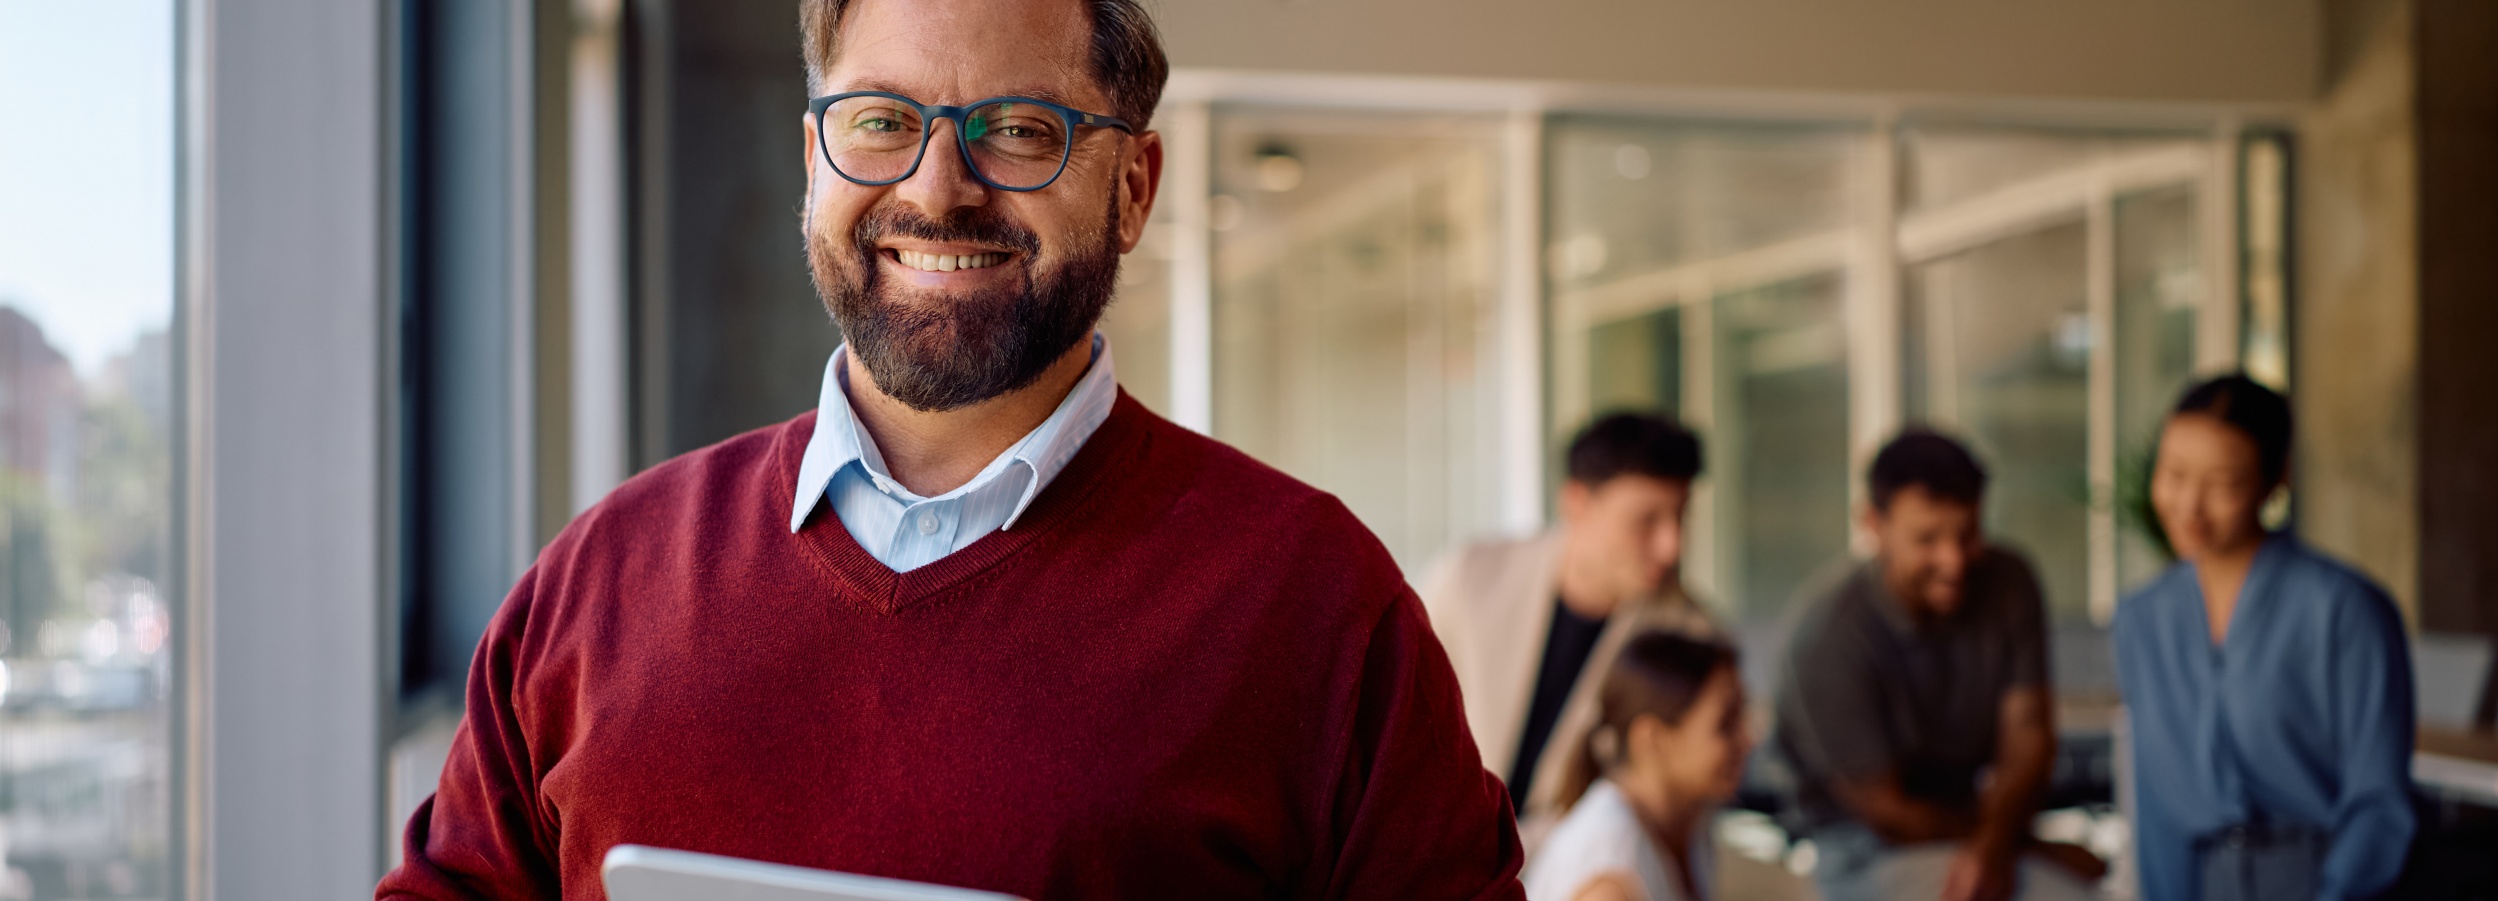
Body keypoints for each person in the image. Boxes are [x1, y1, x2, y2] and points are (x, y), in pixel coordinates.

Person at [376, 1, 1525, 897]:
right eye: (880, 121)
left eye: (1018, 131)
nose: (937, 190)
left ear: (1133, 190)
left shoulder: (1317, 606)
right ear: (815, 162)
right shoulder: (599, 580)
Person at [2113, 375, 2415, 901]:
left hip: (2320, 881)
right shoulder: (2142, 619)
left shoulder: (2344, 610)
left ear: (2276, 479)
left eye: (2223, 483)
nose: (2189, 505)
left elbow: (2379, 801)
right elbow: (2157, 810)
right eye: (2174, 474)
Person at [1772, 430, 2101, 901]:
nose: (1953, 561)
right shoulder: (1827, 635)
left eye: (1967, 534)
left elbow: (2028, 737)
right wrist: (2021, 847)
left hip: (1974, 830)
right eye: (1927, 539)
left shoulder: (2009, 583)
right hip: (1858, 850)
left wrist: (1996, 844)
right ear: (1873, 525)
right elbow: (1888, 813)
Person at [1421, 413, 1720, 835]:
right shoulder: (1468, 579)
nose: (1671, 546)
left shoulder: (1690, 635)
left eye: (1681, 517)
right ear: (1577, 503)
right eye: (1647, 520)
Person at [1522, 632, 1751, 901]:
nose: (1747, 739)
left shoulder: (1690, 832)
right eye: (1726, 724)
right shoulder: (1610, 875)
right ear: (1652, 739)